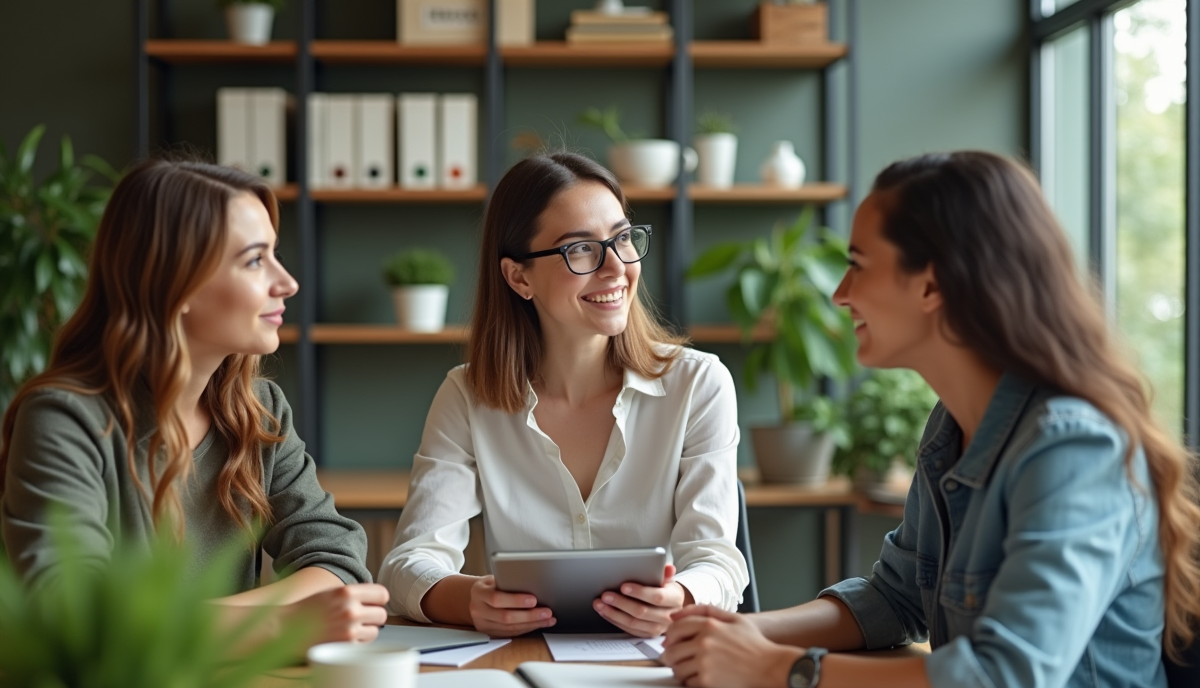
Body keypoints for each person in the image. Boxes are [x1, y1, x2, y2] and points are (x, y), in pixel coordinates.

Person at [660, 151, 1200, 688]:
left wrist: (783, 669)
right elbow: (897, 598)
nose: (840, 294)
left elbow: (1006, 687)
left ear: (932, 283)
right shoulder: (951, 426)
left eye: (857, 266)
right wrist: (748, 631)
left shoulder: (1074, 449)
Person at [0, 160, 388, 647]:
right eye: (254, 261)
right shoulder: (63, 421)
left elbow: (339, 563)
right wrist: (280, 624)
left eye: (275, 254)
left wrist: (184, 625)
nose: (286, 282)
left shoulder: (258, 409)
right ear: (174, 283)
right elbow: (76, 618)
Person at [378, 152, 748, 638]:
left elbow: (718, 560)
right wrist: (472, 601)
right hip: (519, 661)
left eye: (621, 238)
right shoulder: (467, 396)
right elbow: (409, 561)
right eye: (580, 250)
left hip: (659, 661)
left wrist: (677, 599)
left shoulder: (698, 385)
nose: (616, 268)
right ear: (519, 277)